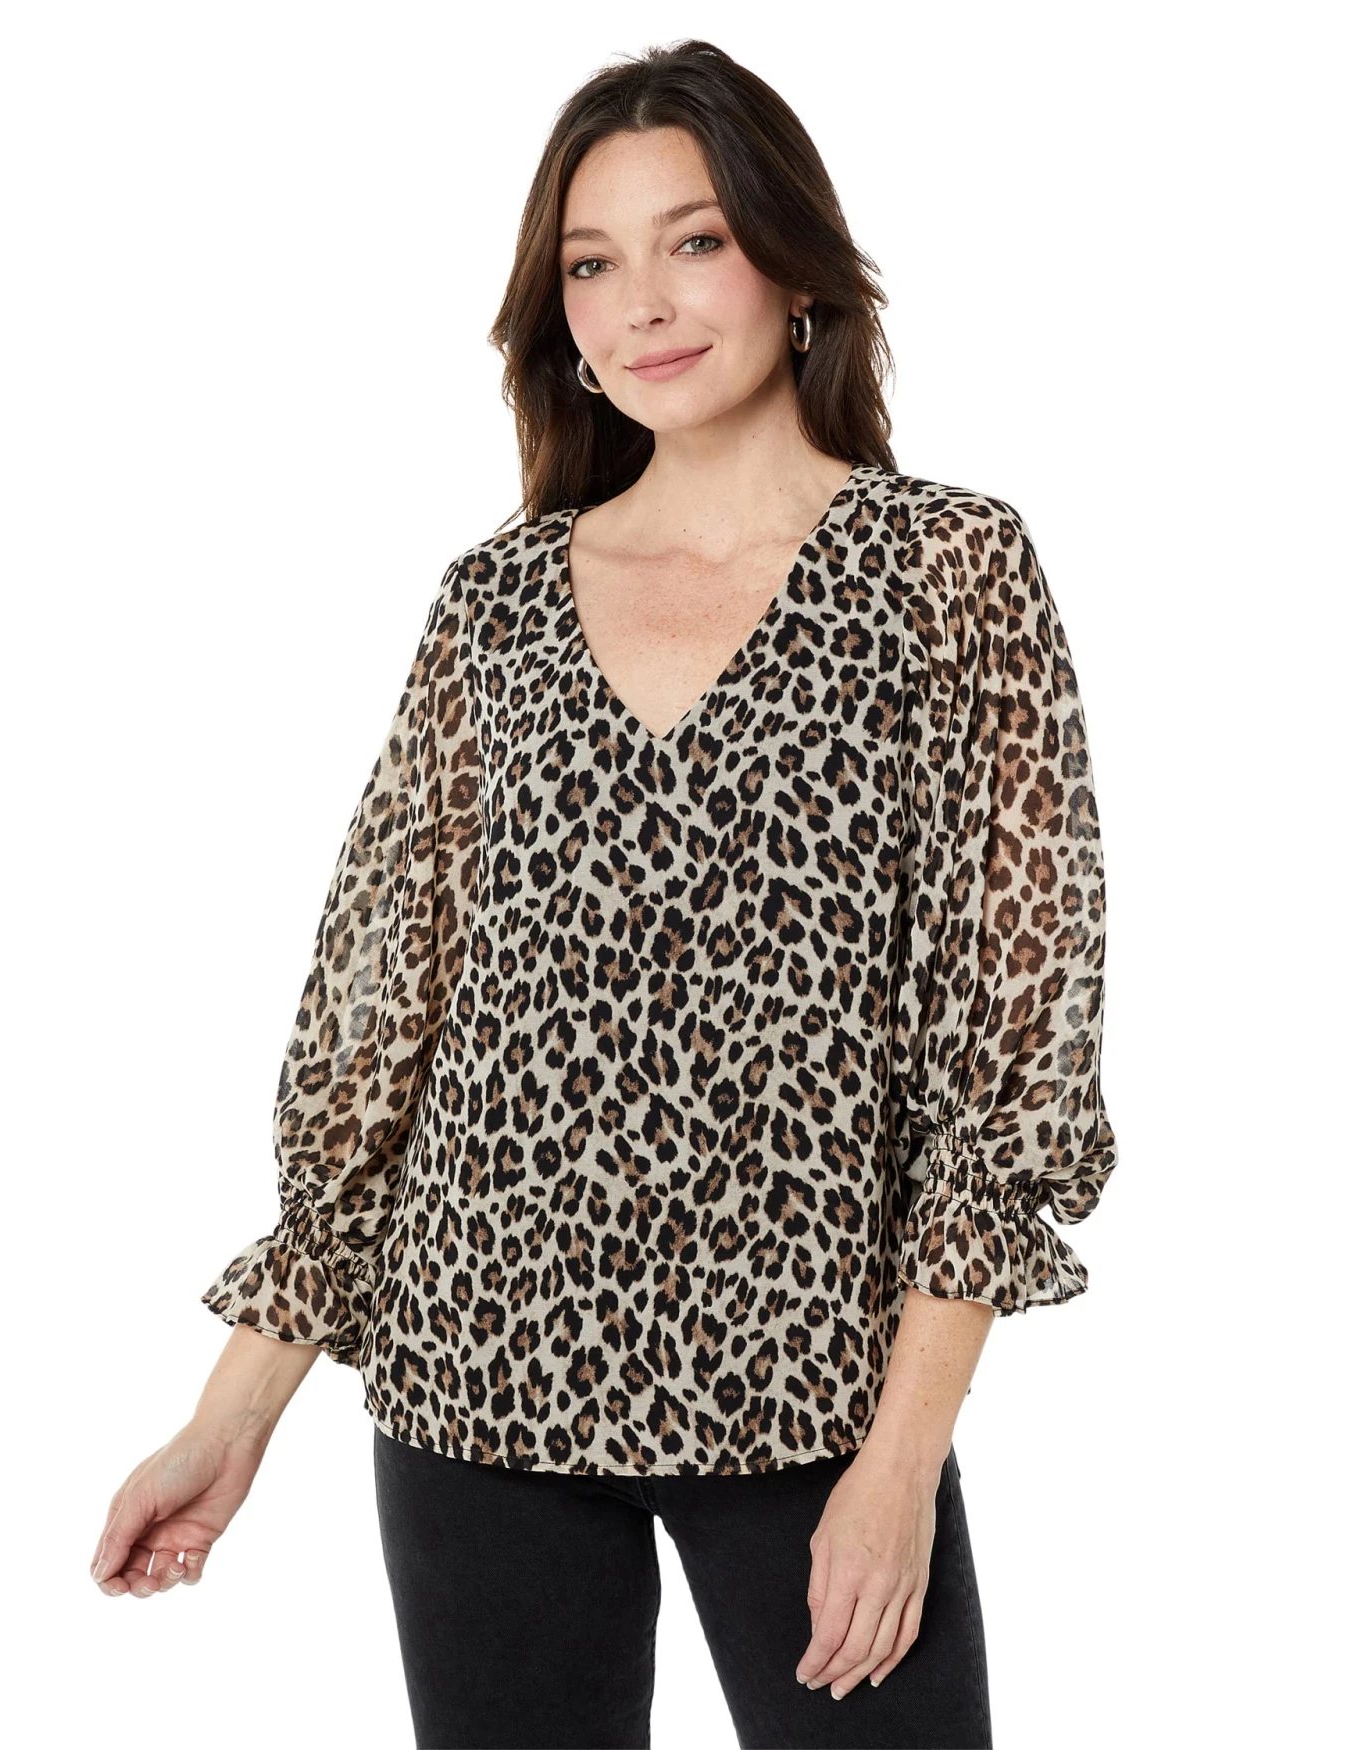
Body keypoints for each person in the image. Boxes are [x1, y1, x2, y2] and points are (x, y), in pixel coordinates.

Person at [89, 38, 1117, 1750]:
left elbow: (1011, 1048)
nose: (641, 301)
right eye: (591, 262)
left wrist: (901, 1463)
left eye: (693, 239)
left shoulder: (951, 573)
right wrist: (231, 1415)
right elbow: (382, 1023)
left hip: (814, 1399)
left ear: (794, 261)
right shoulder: (492, 605)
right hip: (473, 1384)